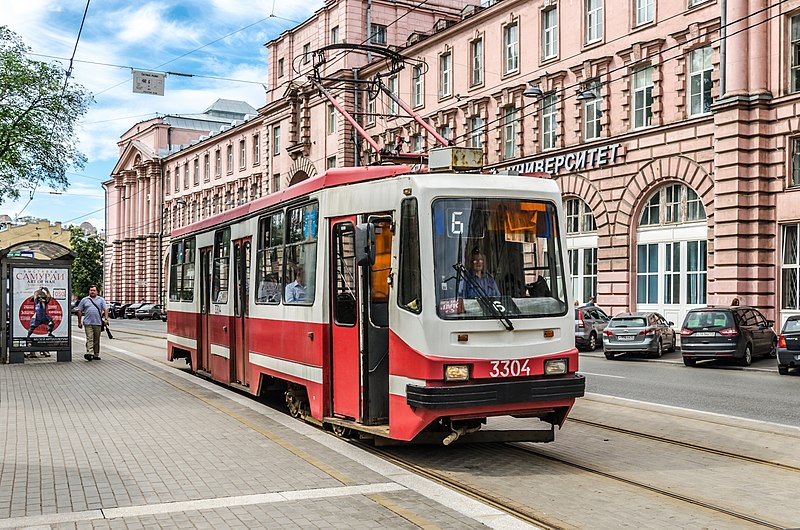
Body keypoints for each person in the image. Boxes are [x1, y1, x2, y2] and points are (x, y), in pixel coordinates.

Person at [76, 285, 109, 361]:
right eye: (91, 290)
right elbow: (79, 311)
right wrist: (79, 322)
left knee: (96, 339)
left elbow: (106, 309)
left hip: (97, 323)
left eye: (94, 290)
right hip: (87, 322)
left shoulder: (101, 300)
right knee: (89, 338)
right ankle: (89, 353)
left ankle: (96, 354)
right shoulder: (84, 300)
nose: (92, 292)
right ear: (89, 291)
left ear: (97, 291)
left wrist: (106, 319)